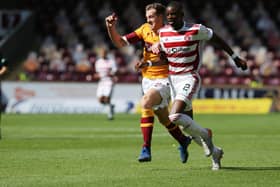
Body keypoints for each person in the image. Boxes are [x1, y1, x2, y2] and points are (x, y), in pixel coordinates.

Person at [153, 1, 248, 170]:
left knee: (174, 117)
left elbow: (217, 39)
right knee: (186, 124)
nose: (170, 17)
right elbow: (167, 58)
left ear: (182, 15)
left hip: (189, 77)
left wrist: (235, 57)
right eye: (168, 15)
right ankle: (215, 153)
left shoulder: (196, 30)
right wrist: (151, 62)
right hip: (173, 80)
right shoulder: (163, 33)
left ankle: (206, 134)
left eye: (173, 14)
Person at [105, 3, 192, 163]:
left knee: (145, 103)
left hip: (165, 79)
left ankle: (146, 148)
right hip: (147, 80)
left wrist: (149, 64)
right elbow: (120, 42)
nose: (149, 20)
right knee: (164, 118)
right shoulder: (144, 29)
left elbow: (169, 60)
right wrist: (111, 28)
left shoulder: (170, 33)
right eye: (147, 17)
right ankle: (183, 140)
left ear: (161, 17)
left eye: (152, 17)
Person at [94, 46, 118, 120]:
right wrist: (96, 76)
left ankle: (110, 115)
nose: (103, 54)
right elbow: (97, 73)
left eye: (104, 53)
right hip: (101, 82)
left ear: (106, 53)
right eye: (101, 53)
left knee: (107, 98)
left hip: (108, 81)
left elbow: (115, 71)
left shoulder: (111, 61)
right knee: (100, 100)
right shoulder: (98, 62)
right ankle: (111, 106)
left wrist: (110, 74)